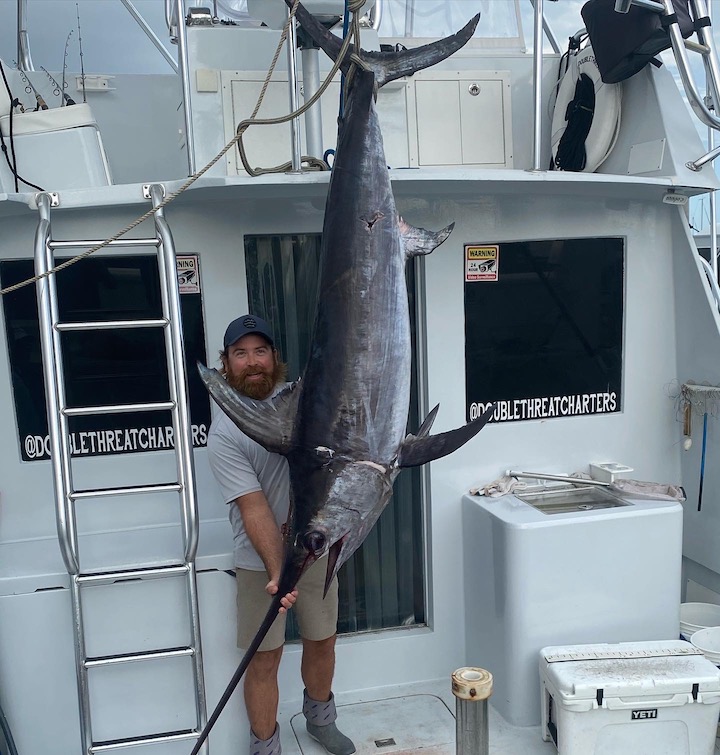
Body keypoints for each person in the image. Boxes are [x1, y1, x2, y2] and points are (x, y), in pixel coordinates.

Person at [206, 314, 355, 755]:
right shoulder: (226, 430)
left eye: (260, 351)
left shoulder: (309, 402)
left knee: (322, 640)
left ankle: (320, 721)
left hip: (317, 549)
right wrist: (278, 573)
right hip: (261, 563)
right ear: (226, 363)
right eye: (240, 353)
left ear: (275, 358)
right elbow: (253, 507)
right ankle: (265, 747)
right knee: (264, 657)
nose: (252, 362)